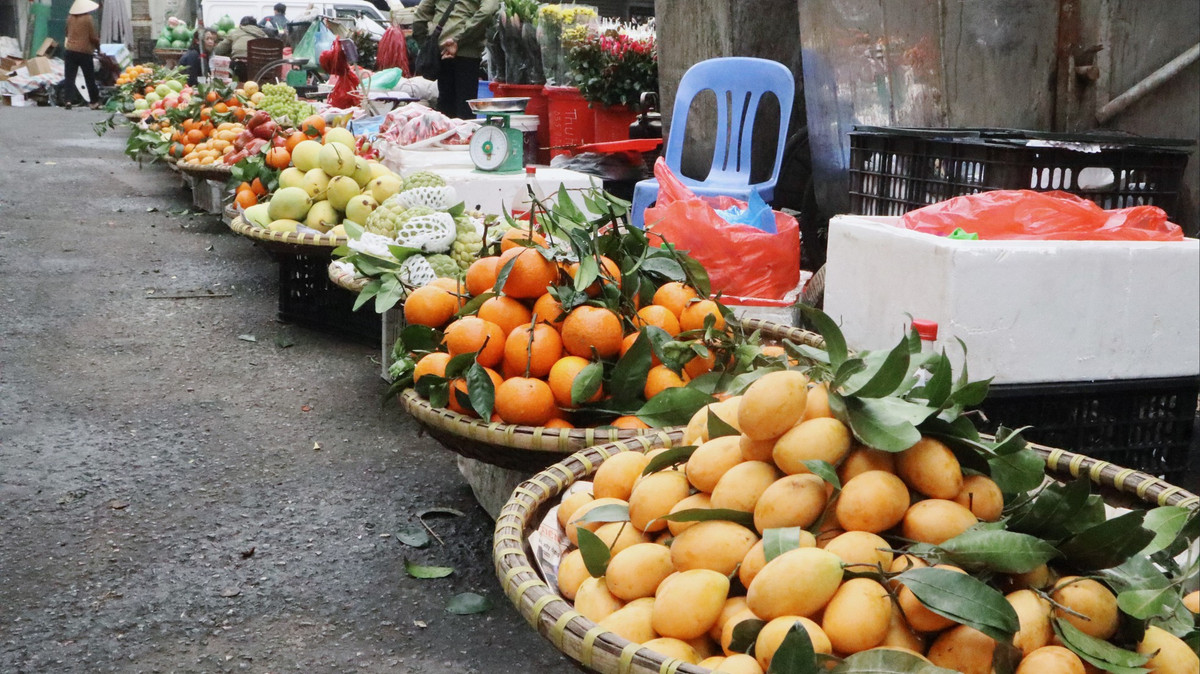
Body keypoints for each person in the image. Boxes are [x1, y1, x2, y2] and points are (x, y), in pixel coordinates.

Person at [413, 0, 499, 120]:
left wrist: (430, 47)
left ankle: (443, 137)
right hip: (468, 52)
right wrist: (459, 39)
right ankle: (464, 138)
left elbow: (420, 15)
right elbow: (487, 11)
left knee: (445, 108)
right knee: (465, 110)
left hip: (443, 50)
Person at [61, 0, 102, 109]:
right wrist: (98, 46)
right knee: (89, 77)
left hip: (70, 51)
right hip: (84, 52)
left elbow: (66, 32)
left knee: (69, 77)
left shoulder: (69, 18)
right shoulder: (88, 19)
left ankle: (68, 101)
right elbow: (92, 37)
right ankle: (94, 102)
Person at [213, 16, 270, 80]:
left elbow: (219, 50)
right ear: (256, 25)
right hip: (259, 69)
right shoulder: (263, 34)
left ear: (240, 25)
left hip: (239, 68)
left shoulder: (235, 32)